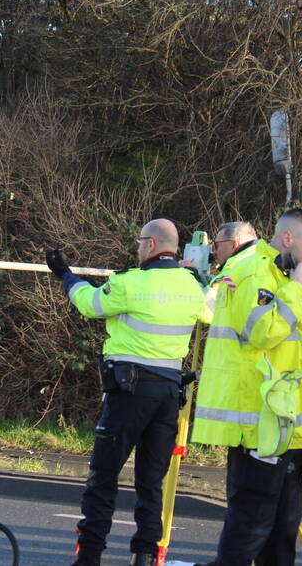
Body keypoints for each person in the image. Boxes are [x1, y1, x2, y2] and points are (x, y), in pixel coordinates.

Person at [46, 218, 205, 566]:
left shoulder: (130, 282)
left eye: (139, 241)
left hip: (130, 392)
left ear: (151, 244)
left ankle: (90, 556)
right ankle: (144, 556)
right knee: (151, 481)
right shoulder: (192, 286)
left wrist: (65, 275)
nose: (137, 247)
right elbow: (211, 308)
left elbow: (89, 303)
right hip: (168, 394)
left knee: (104, 474)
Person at [191, 208, 302, 566]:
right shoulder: (257, 272)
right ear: (287, 238)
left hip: (276, 426)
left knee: (280, 530)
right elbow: (262, 334)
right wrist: (295, 289)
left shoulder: (276, 272)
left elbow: (292, 363)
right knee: (251, 527)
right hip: (258, 426)